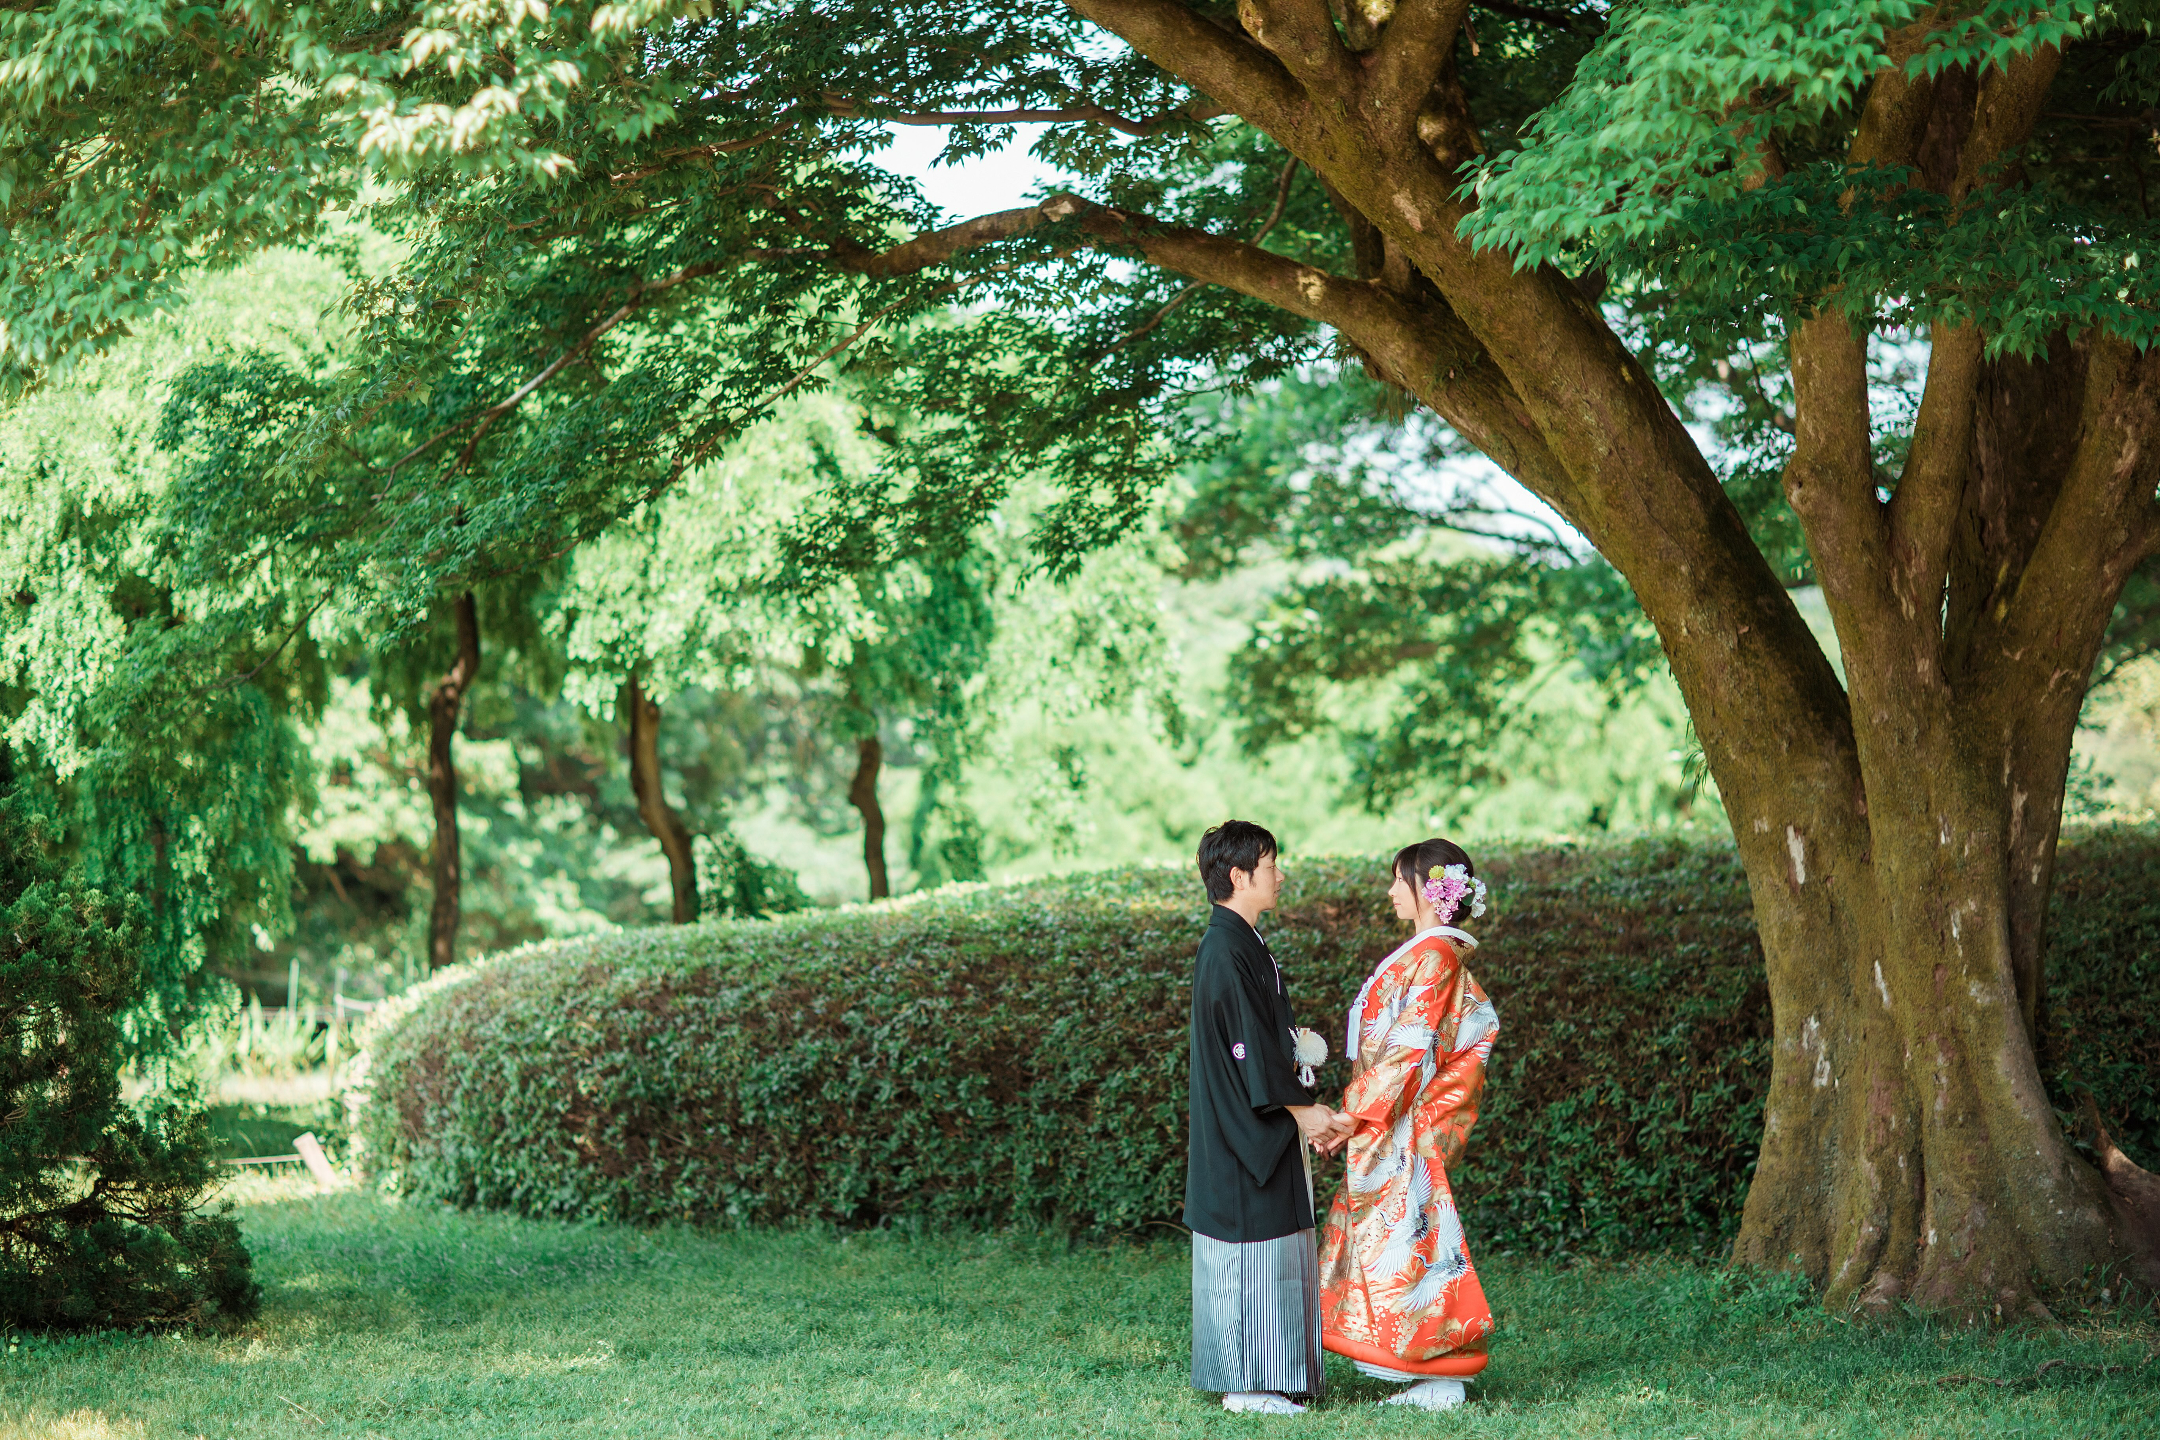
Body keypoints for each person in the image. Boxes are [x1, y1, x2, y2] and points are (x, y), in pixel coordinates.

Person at [1318, 838, 1501, 1411]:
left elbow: (1410, 1047)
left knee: (1410, 1244)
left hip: (1398, 1125)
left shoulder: (1435, 957)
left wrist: (1351, 1113)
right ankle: (1425, 1371)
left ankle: (1441, 1373)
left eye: (1400, 879)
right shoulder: (1429, 953)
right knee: (1402, 1243)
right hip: (1390, 1120)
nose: (1391, 890)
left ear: (1428, 889)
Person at [1185, 820, 1353, 1415]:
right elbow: (1252, 1048)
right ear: (1239, 875)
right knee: (1250, 1244)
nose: (1280, 874)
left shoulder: (1242, 943)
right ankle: (1247, 1385)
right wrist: (1306, 1113)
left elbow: (1267, 1040)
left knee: (1277, 1246)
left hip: (1264, 1120)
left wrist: (1305, 1108)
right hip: (1242, 1130)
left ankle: (1276, 1376)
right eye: (1271, 864)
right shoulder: (1225, 949)